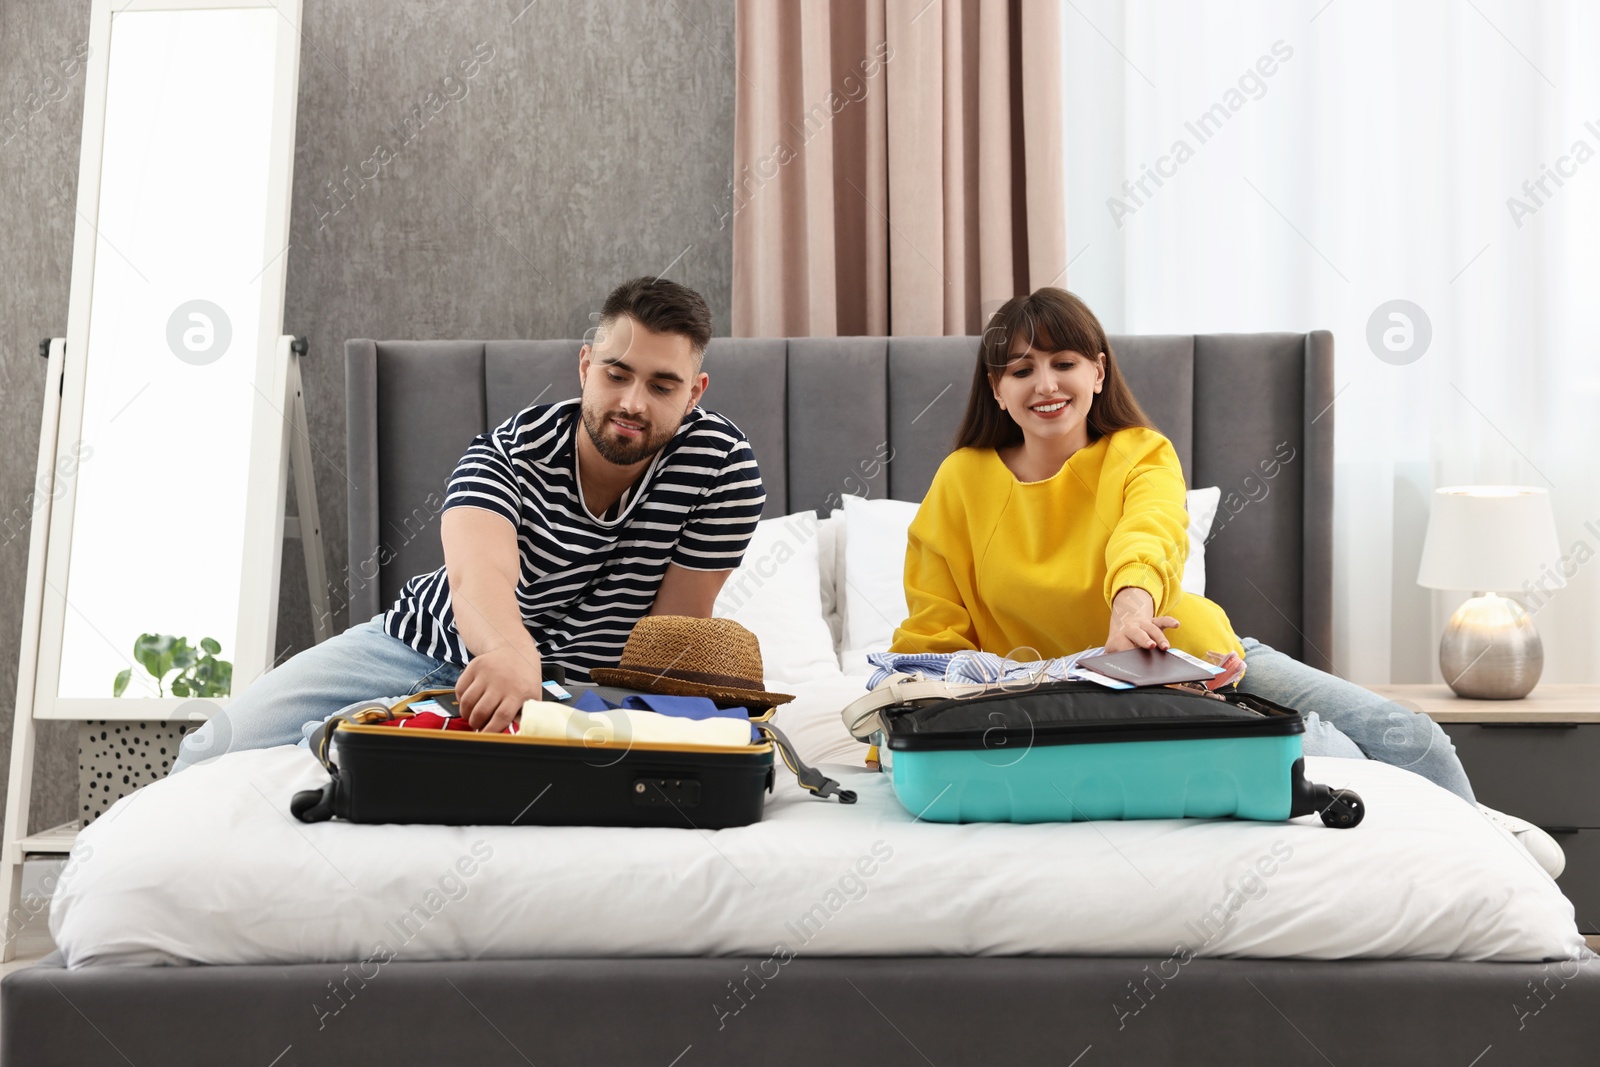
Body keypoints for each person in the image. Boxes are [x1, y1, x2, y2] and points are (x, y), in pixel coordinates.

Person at [889, 286, 1563, 875]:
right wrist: (903, 717)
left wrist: (1131, 604)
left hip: (1203, 651)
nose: (1046, 384)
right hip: (1108, 695)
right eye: (1022, 368)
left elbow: (1150, 533)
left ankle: (1485, 846)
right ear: (996, 385)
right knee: (1334, 752)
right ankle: (1468, 841)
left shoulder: (1139, 452)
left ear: (1097, 372)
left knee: (1411, 736)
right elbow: (935, 626)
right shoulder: (962, 482)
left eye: (1064, 362)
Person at [173, 276, 764, 772]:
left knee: (345, 755)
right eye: (616, 373)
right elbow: (478, 579)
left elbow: (667, 639)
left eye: (662, 385)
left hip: (584, 691)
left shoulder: (722, 470)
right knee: (206, 752)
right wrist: (510, 655)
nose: (634, 402)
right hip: (424, 643)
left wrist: (588, 713)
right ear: (586, 367)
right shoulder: (504, 456)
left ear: (694, 394)